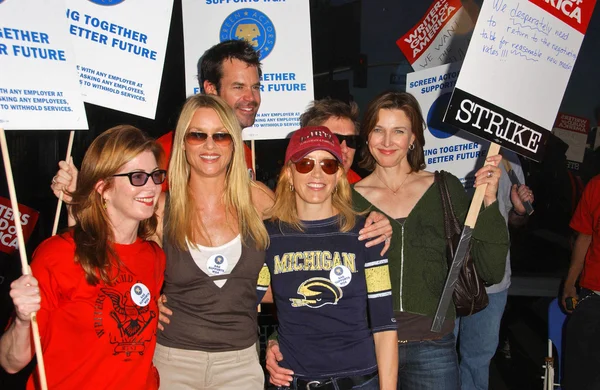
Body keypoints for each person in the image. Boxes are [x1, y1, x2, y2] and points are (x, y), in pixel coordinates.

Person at [265, 91, 509, 389]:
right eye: (378, 130)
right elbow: (302, 275)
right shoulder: (346, 201)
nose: (387, 141)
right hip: (365, 347)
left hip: (431, 344)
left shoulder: (445, 189)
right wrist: (280, 339)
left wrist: (489, 203)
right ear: (367, 137)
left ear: (414, 138)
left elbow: (492, 270)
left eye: (399, 131)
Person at [0, 126, 166, 389]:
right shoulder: (57, 254)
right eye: (137, 177)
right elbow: (12, 362)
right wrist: (22, 319)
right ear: (104, 188)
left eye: (156, 175)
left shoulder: (154, 257)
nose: (152, 187)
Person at [258, 126, 398, 389]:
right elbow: (241, 302)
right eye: (305, 164)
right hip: (292, 381)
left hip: (358, 381)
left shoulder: (367, 233)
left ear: (339, 177)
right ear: (289, 173)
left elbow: (384, 324)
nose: (317, 173)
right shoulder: (269, 238)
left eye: (329, 165)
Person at [454, 149, 534, 390]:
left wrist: (520, 210)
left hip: (492, 279)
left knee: (477, 361)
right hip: (442, 272)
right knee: (436, 360)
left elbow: (514, 219)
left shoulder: (508, 157)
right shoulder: (436, 137)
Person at [157, 39, 261, 184]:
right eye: (238, 87)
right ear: (211, 89)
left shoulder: (245, 153)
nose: (251, 97)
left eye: (255, 87)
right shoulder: (165, 151)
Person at [562, 173, 600, 390]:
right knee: (579, 379)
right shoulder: (596, 185)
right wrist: (570, 284)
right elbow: (584, 236)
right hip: (594, 296)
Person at [299, 98, 363, 184]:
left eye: (351, 140)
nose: (344, 149)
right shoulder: (290, 191)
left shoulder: (361, 191)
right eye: (334, 139)